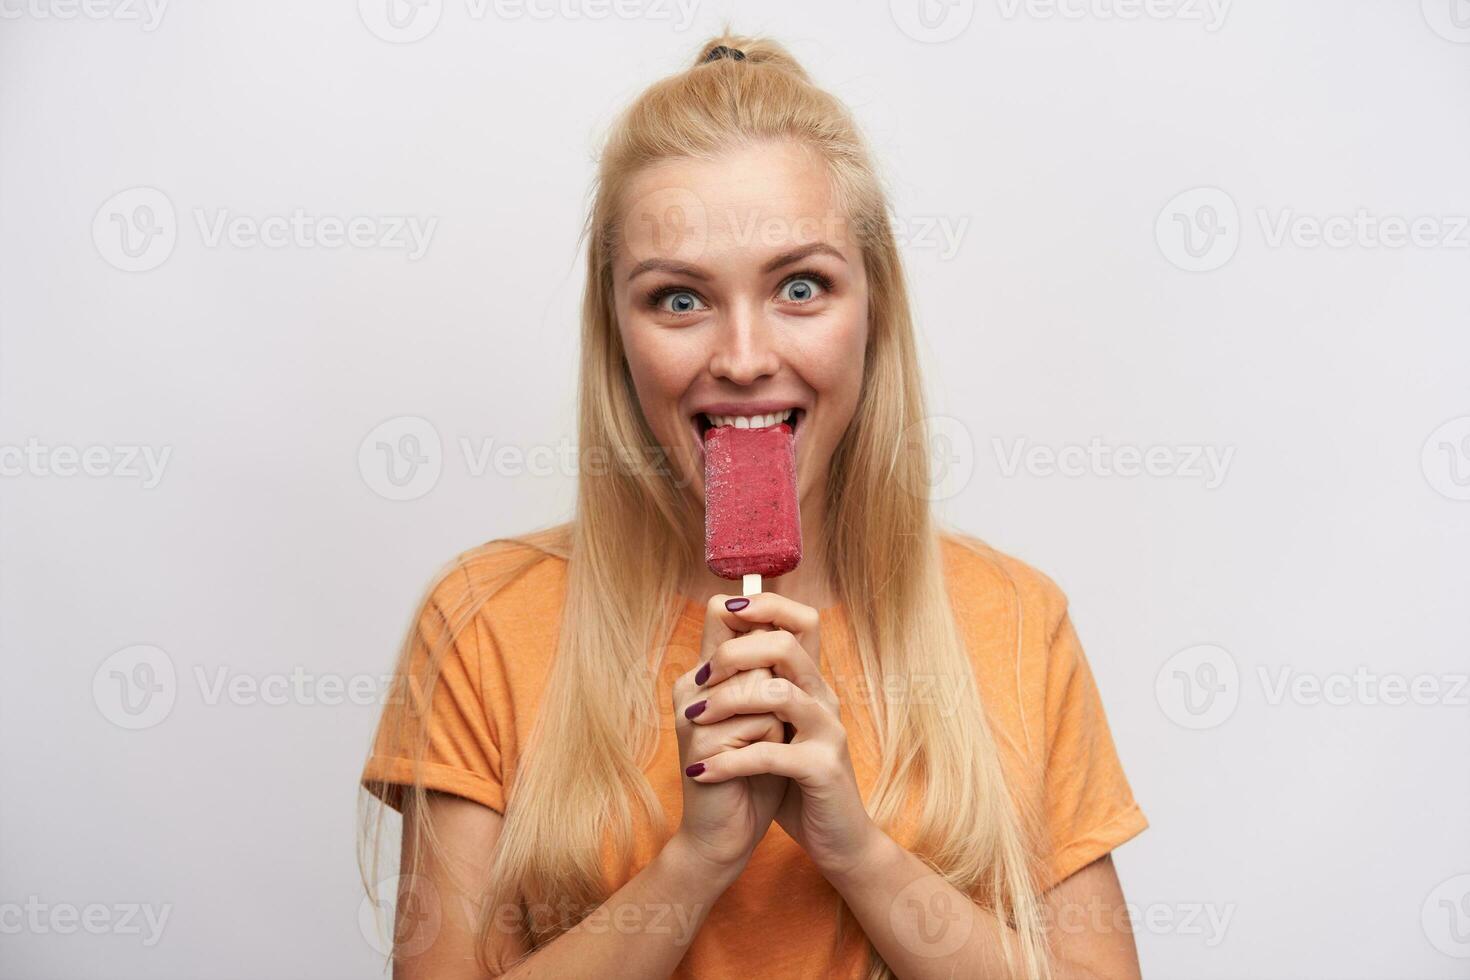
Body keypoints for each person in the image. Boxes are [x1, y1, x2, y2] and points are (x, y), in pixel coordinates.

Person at [359, 32, 1147, 980]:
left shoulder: (1016, 621)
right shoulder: (484, 621)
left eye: (800, 288)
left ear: (875, 310)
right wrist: (697, 863)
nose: (741, 357)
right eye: (680, 300)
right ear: (617, 336)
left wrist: (856, 849)